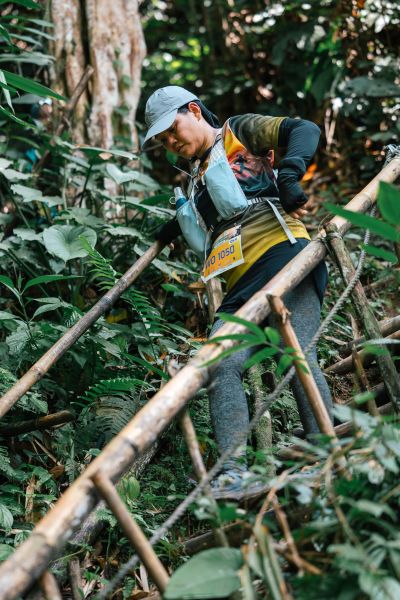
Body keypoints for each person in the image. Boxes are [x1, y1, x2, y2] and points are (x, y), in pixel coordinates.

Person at [142, 85, 333, 499]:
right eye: (163, 140)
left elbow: (304, 129)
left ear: (194, 111)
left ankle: (327, 453)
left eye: (173, 129)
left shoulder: (237, 132)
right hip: (239, 287)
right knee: (220, 363)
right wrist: (171, 228)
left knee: (295, 350)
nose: (171, 142)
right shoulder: (195, 177)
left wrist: (289, 173)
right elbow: (214, 212)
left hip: (283, 256)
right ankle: (232, 473)